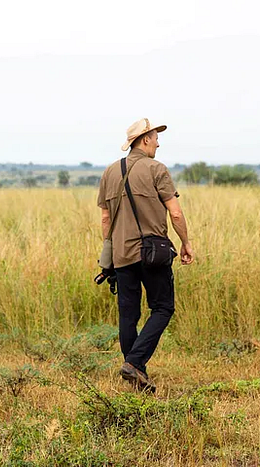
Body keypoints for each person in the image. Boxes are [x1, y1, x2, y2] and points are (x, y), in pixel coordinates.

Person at [97, 118, 194, 393]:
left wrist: (110, 250)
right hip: (153, 253)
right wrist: (185, 242)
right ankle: (135, 363)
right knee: (163, 308)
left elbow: (105, 219)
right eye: (155, 138)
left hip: (121, 255)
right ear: (145, 140)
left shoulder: (109, 172)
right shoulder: (156, 169)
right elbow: (175, 212)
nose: (158, 143)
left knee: (128, 315)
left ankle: (136, 373)